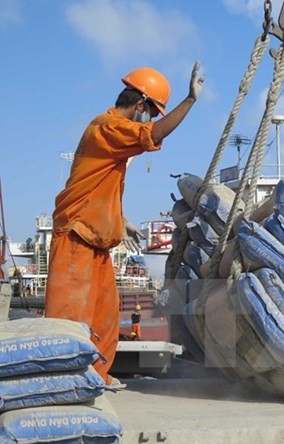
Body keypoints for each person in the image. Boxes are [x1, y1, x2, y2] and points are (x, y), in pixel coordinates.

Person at [45, 62, 205, 387]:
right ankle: (60, 386)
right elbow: (153, 134)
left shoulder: (113, 140)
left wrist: (122, 222)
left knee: (103, 322)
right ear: (140, 105)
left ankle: (95, 380)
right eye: (152, 112)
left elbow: (97, 188)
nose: (152, 118)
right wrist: (189, 100)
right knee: (69, 320)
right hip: (76, 238)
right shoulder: (108, 127)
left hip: (97, 242)